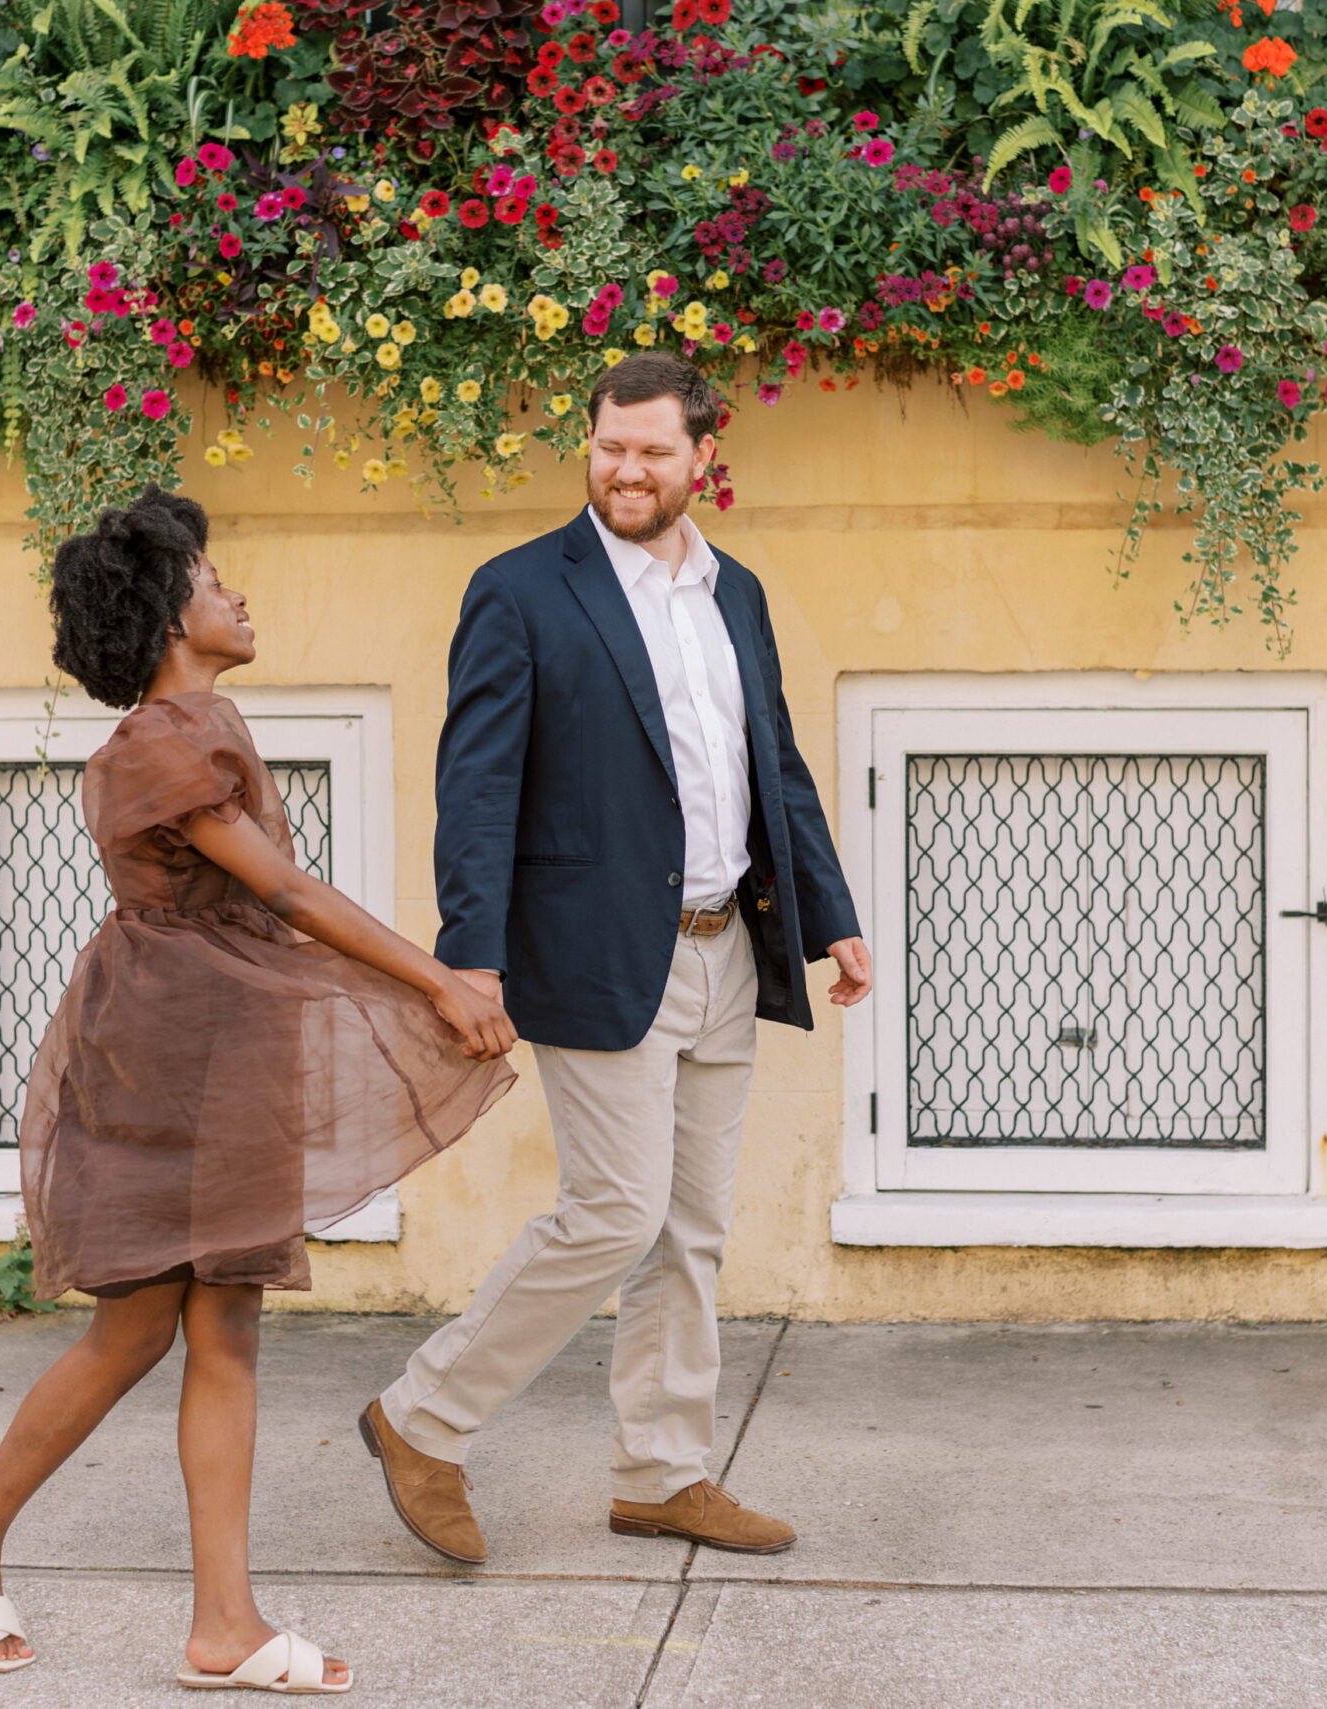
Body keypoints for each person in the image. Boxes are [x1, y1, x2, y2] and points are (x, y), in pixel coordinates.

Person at [0, 487, 517, 1693]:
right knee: (135, 1323)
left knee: (225, 1317)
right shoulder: (159, 741)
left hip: (223, 1041)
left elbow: (270, 900)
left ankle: (222, 1625)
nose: (236, 592)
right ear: (167, 612)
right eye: (212, 577)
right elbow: (284, 891)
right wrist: (439, 979)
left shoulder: (204, 720)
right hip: (170, 1048)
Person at [358, 353, 871, 1565]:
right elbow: (475, 789)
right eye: (607, 448)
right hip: (594, 952)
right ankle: (421, 1417)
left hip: (726, 946)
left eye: (651, 451)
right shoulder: (523, 590)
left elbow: (772, 766)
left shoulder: (734, 593)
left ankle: (660, 1469)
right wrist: (468, 958)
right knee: (614, 1211)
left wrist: (827, 908)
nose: (625, 471)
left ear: (705, 458)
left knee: (690, 1226)